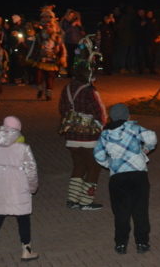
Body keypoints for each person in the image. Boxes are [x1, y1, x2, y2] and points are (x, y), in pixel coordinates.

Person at [94, 103, 157, 254]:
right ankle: (142, 243)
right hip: (138, 175)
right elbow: (152, 137)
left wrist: (109, 164)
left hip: (118, 178)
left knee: (121, 213)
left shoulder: (105, 134)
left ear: (111, 117)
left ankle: (121, 244)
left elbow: (98, 155)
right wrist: (145, 150)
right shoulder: (135, 129)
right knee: (140, 211)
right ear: (128, 116)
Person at [0, 116, 40, 263]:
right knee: (23, 219)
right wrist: (32, 188)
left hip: (1, 189)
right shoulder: (24, 148)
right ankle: (26, 250)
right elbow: (31, 171)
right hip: (19, 189)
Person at [59, 48, 108, 211]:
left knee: (79, 165)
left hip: (71, 134)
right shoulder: (89, 90)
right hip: (89, 137)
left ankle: (72, 199)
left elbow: (62, 109)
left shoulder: (66, 88)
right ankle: (86, 200)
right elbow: (100, 113)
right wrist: (102, 128)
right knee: (94, 167)